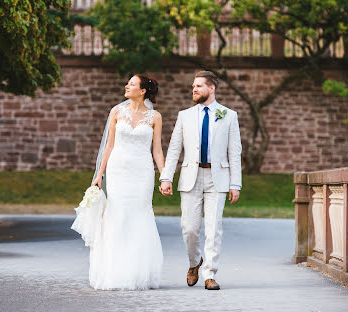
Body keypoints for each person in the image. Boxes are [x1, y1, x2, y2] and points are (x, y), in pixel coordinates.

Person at [73, 74, 164, 290]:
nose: (127, 86)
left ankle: (138, 271)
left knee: (140, 215)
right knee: (118, 215)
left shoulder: (154, 117)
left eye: (132, 84)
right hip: (118, 171)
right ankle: (114, 271)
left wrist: (164, 175)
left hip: (142, 172)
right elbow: (109, 146)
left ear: (142, 91)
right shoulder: (116, 111)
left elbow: (157, 150)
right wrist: (99, 174)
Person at [159, 70, 242, 290]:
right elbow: (175, 148)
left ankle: (210, 274)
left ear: (211, 88)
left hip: (218, 178)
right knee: (189, 228)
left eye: (198, 86)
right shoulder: (184, 115)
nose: (193, 89)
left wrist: (236, 183)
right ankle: (194, 262)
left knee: (214, 228)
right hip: (190, 177)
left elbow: (234, 152)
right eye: (193, 86)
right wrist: (166, 177)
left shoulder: (229, 115)